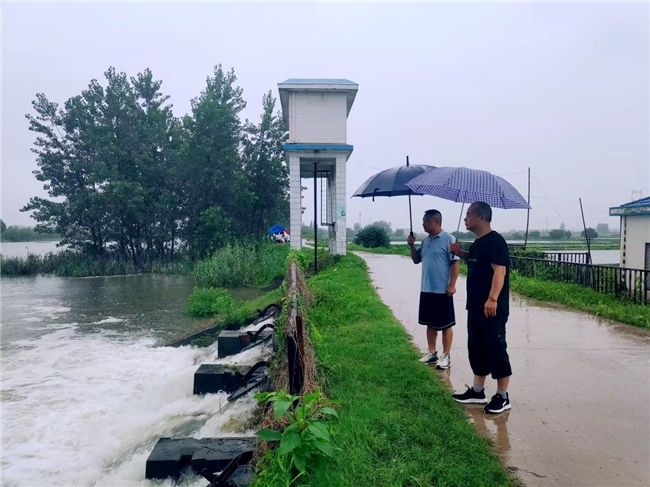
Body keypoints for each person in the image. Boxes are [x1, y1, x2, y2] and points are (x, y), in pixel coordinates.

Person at [449, 201, 512, 414]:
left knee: (495, 348)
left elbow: (499, 272)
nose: (466, 218)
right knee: (476, 347)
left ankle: (503, 396)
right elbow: (478, 261)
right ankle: (478, 390)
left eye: (469, 214)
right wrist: (461, 252)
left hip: (491, 307)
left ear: (481, 218)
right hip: (475, 305)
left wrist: (492, 298)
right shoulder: (478, 243)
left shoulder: (496, 241)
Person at [407, 209, 460, 370]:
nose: (423, 224)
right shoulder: (426, 241)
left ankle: (446, 355)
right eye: (423, 221)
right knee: (429, 323)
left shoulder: (448, 239)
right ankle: (432, 353)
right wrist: (411, 245)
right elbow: (417, 259)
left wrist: (452, 284)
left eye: (426, 221)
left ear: (436, 222)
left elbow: (456, 263)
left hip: (442, 290)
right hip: (426, 288)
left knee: (445, 324)